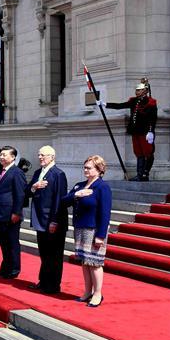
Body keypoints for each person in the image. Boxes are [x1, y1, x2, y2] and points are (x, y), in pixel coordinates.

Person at [63, 155, 112, 307]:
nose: (85, 170)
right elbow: (64, 201)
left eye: (89, 168)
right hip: (80, 228)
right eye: (84, 167)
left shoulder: (102, 187)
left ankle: (97, 294)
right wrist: (76, 195)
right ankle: (87, 291)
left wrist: (101, 236)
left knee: (95, 262)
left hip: (94, 229)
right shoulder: (80, 185)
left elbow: (105, 213)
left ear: (99, 170)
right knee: (85, 261)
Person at [25, 146, 69, 294]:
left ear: (52, 157)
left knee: (54, 255)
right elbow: (27, 192)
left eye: (43, 155)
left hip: (52, 221)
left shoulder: (58, 174)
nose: (40, 157)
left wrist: (54, 221)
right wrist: (34, 187)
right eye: (39, 155)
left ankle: (53, 285)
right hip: (39, 219)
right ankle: (43, 281)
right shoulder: (38, 173)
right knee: (44, 253)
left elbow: (59, 199)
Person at [98, 78, 158, 181]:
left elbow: (153, 119)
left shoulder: (151, 103)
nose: (136, 91)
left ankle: (145, 174)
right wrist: (105, 104)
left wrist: (151, 131)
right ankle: (139, 174)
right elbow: (120, 105)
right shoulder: (134, 101)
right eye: (137, 90)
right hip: (135, 132)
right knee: (139, 153)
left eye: (139, 90)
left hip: (145, 132)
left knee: (148, 153)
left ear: (145, 91)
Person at [0, 146, 26, 279]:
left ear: (13, 157)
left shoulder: (17, 172)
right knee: (4, 243)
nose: (1, 157)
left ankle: (14, 269)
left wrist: (16, 212)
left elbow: (20, 194)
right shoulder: (1, 171)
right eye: (0, 154)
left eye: (5, 155)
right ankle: (5, 268)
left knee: (12, 243)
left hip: (10, 214)